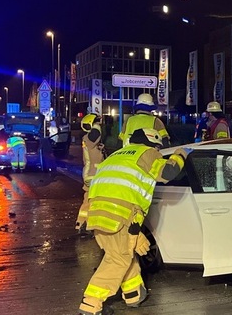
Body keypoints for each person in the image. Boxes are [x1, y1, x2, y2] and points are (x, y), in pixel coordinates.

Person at [78, 128, 189, 315]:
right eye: (158, 148)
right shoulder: (147, 153)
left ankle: (133, 294)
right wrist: (181, 154)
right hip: (120, 215)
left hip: (97, 214)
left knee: (121, 253)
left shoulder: (116, 155)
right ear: (154, 144)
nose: (158, 151)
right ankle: (91, 303)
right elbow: (169, 172)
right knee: (118, 259)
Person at [75, 113, 105, 233]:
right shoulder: (89, 139)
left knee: (89, 201)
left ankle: (83, 223)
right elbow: (96, 133)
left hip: (92, 175)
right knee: (93, 201)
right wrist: (96, 123)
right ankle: (86, 224)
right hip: (93, 175)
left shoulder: (90, 141)